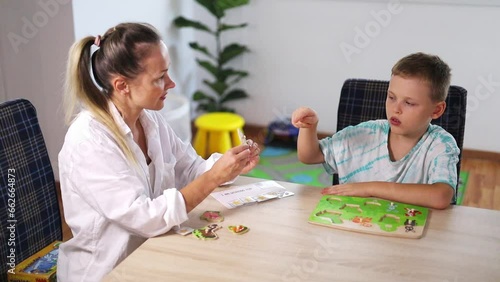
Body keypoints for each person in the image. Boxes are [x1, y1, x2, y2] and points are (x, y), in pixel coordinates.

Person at [58, 22, 260, 281]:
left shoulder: (149, 121)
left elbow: (191, 169)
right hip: (109, 271)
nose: (171, 83)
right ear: (122, 86)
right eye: (159, 78)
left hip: (154, 251)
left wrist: (230, 165)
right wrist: (213, 178)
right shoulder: (89, 141)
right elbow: (144, 217)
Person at [291, 52, 459, 210]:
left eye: (409, 103)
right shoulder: (366, 133)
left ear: (436, 110)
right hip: (353, 226)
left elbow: (441, 196)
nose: (396, 109)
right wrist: (308, 128)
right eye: (391, 97)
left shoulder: (440, 144)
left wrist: (369, 188)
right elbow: (309, 156)